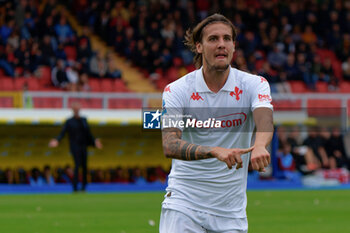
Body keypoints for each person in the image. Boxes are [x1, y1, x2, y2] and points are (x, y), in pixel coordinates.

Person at [160, 14, 274, 233]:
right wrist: (214, 151)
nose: (221, 44)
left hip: (230, 212)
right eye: (213, 39)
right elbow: (170, 144)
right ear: (199, 47)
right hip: (184, 204)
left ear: (233, 45)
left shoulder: (254, 84)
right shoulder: (176, 90)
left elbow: (264, 119)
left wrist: (260, 145)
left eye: (227, 38)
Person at [49, 102, 102, 192]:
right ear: (73, 109)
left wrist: (95, 142)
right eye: (75, 108)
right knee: (77, 166)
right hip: (75, 146)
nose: (77, 110)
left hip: (84, 146)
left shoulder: (84, 120)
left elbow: (89, 133)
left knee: (85, 166)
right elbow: (62, 133)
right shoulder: (69, 121)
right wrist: (57, 140)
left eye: (78, 108)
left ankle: (84, 186)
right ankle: (75, 186)